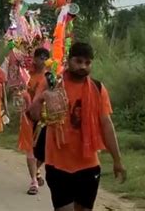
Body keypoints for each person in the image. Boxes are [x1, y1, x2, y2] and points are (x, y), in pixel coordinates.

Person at [29, 42, 126, 210]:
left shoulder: (98, 88)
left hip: (88, 164)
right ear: (68, 60)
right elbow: (34, 115)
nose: (83, 66)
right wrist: (43, 97)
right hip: (58, 164)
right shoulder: (52, 83)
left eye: (87, 63)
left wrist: (117, 160)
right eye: (78, 61)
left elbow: (106, 124)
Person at [18, 47, 49, 195]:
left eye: (45, 58)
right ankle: (33, 182)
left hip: (44, 117)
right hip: (27, 116)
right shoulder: (26, 74)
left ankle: (36, 170)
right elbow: (18, 91)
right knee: (30, 148)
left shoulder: (50, 77)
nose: (42, 60)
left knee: (44, 151)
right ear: (34, 58)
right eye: (40, 57)